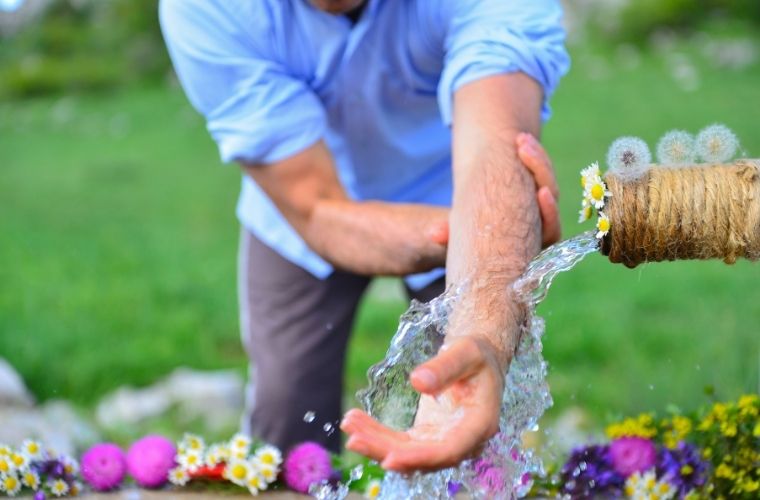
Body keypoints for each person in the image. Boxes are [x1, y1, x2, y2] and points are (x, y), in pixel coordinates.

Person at [159, 0, 569, 472]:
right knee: (286, 425)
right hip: (301, 211)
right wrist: (492, 231)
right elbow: (316, 208)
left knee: (474, 413)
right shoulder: (208, 8)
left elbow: (496, 145)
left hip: (456, 188)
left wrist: (494, 248)